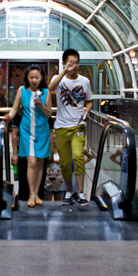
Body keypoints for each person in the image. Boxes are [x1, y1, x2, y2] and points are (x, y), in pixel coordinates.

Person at [48, 48, 94, 206]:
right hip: (61, 127)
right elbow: (51, 87)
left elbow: (89, 101)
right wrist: (64, 71)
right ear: (64, 63)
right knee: (65, 162)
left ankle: (80, 192)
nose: (74, 66)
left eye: (76, 63)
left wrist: (86, 111)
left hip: (78, 126)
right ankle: (69, 191)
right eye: (71, 62)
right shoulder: (59, 79)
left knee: (78, 156)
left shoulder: (84, 81)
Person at [7, 64, 52, 207]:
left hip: (42, 131)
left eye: (37, 77)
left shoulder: (46, 92)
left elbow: (49, 113)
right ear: (27, 78)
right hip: (27, 131)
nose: (34, 80)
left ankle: (37, 193)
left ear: (41, 78)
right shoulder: (21, 90)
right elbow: (15, 108)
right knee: (31, 162)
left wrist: (41, 106)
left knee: (40, 163)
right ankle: (31, 194)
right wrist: (8, 117)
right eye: (31, 77)